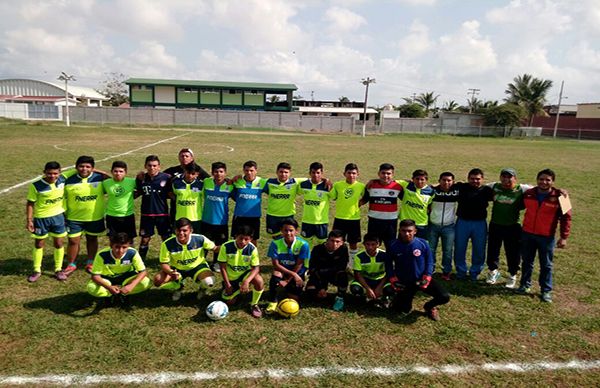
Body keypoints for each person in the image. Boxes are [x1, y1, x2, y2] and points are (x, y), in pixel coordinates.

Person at [518, 169, 571, 303]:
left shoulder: (562, 196)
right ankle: (525, 284)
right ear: (537, 180)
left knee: (546, 265)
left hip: (546, 236)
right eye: (541, 179)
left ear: (553, 182)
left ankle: (546, 290)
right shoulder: (529, 193)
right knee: (527, 262)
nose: (544, 182)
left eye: (548, 180)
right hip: (527, 234)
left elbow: (567, 218)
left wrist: (564, 237)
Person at [386, 219, 450, 321]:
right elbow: (388, 265)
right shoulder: (393, 245)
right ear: (399, 230)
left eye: (409, 231)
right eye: (403, 231)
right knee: (403, 310)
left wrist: (427, 277)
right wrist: (393, 279)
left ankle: (429, 307)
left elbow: (429, 262)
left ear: (415, 231)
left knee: (444, 296)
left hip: (421, 279)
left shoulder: (423, 243)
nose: (407, 234)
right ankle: (396, 299)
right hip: (405, 282)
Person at [61, 155, 106, 276]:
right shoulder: (68, 180)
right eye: (81, 166)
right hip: (73, 218)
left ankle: (91, 262)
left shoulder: (100, 178)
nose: (84, 169)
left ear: (93, 168)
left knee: (92, 239)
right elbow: (58, 176)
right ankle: (71, 264)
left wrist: (98, 171)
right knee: (73, 240)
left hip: (94, 217)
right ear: (76, 167)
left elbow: (114, 180)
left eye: (88, 167)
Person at [154, 218, 217, 301]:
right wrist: (171, 272)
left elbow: (215, 248)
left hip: (197, 266)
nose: (181, 233)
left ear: (191, 230)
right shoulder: (167, 244)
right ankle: (178, 287)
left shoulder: (200, 239)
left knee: (209, 281)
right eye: (178, 230)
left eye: (184, 230)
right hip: (177, 269)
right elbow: (163, 263)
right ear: (175, 230)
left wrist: (231, 246)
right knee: (158, 280)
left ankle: (202, 289)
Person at [485, 168, 529, 288]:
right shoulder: (495, 186)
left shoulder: (522, 189)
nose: (506, 179)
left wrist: (560, 191)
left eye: (509, 177)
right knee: (493, 250)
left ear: (515, 178)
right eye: (503, 176)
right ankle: (493, 271)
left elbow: (540, 188)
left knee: (513, 252)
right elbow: (476, 185)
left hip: (513, 226)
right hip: (495, 224)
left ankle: (512, 274)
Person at [26, 161, 68, 282]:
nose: (52, 176)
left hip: (59, 217)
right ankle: (36, 270)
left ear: (60, 173)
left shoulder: (63, 179)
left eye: (55, 173)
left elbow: (81, 169)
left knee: (58, 243)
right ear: (44, 172)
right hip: (41, 219)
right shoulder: (36, 185)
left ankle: (58, 269)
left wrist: (102, 173)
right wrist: (29, 220)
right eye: (49, 173)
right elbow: (30, 203)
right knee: (39, 244)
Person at [86, 232, 151, 306]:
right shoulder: (102, 254)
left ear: (129, 246)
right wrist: (109, 287)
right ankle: (110, 295)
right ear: (111, 245)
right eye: (117, 247)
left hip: (126, 278)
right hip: (107, 279)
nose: (120, 251)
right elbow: (95, 276)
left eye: (124, 247)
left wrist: (131, 286)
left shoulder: (133, 253)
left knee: (146, 282)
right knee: (91, 288)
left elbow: (143, 272)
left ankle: (124, 293)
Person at [453, 168, 494, 281]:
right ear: (468, 179)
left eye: (478, 179)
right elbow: (446, 183)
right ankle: (461, 271)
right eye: (472, 179)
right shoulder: (462, 187)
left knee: (479, 249)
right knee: (460, 248)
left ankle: (475, 272)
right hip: (462, 222)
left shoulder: (487, 190)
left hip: (480, 223)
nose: (475, 181)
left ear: (482, 179)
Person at [217, 225, 264, 318]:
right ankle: (237, 291)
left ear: (250, 239)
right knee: (230, 302)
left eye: (246, 239)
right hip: (231, 278)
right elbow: (222, 267)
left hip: (244, 275)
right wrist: (227, 284)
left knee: (259, 281)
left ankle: (254, 304)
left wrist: (247, 281)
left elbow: (256, 268)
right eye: (240, 238)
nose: (243, 241)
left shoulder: (252, 249)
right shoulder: (226, 246)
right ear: (235, 236)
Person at [265, 219, 310, 314]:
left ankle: (288, 287)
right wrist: (292, 275)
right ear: (281, 231)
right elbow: (276, 264)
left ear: (296, 231)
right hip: (283, 271)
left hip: (298, 272)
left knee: (294, 299)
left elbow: (299, 264)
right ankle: (273, 301)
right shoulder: (275, 243)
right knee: (276, 274)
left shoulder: (303, 244)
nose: (288, 233)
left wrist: (288, 280)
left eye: (291, 230)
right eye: (285, 230)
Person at [137, 155, 172, 260]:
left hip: (162, 214)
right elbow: (138, 192)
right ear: (145, 166)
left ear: (159, 167)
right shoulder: (141, 178)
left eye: (154, 165)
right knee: (145, 239)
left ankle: (170, 259)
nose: (152, 168)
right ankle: (141, 261)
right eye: (149, 165)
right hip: (147, 214)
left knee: (166, 238)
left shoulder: (166, 178)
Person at [200, 161, 233, 271]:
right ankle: (201, 262)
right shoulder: (206, 182)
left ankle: (216, 262)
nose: (218, 174)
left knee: (220, 244)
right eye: (216, 172)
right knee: (205, 242)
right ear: (212, 172)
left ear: (225, 173)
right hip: (207, 220)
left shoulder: (230, 185)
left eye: (221, 172)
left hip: (221, 221)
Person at [305, 230, 349, 311]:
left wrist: (324, 271)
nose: (334, 244)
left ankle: (340, 297)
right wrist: (320, 287)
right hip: (319, 276)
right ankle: (323, 291)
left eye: (337, 241)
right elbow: (312, 269)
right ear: (327, 240)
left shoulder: (343, 249)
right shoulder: (317, 249)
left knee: (343, 275)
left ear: (342, 242)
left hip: (334, 275)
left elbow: (341, 267)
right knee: (310, 293)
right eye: (332, 240)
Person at [362, 163, 403, 248]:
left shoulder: (397, 187)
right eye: (383, 173)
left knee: (390, 246)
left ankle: (389, 261)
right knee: (373, 246)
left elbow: (406, 199)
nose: (385, 176)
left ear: (393, 175)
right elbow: (364, 200)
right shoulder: (371, 185)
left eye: (388, 173)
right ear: (378, 174)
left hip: (390, 222)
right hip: (374, 221)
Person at [164, 148, 210, 224]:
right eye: (182, 156)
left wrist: (225, 180)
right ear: (179, 158)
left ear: (192, 158)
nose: (184, 158)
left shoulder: (197, 170)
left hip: (193, 212)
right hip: (177, 208)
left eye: (187, 156)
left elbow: (210, 180)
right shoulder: (172, 170)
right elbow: (158, 177)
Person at [330, 163, 366, 260]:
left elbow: (367, 196)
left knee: (353, 242)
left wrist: (361, 202)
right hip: (340, 218)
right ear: (344, 174)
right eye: (349, 173)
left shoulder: (361, 186)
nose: (351, 175)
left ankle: (352, 263)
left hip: (354, 218)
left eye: (354, 173)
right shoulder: (338, 185)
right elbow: (332, 197)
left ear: (358, 174)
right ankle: (338, 261)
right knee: (337, 242)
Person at [428, 172, 459, 280]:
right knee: (431, 249)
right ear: (439, 180)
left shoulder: (456, 191)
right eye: (444, 180)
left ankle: (446, 271)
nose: (446, 182)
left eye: (449, 180)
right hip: (433, 225)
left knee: (448, 250)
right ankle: (430, 270)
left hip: (449, 226)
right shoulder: (433, 191)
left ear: (453, 181)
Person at [262, 162, 303, 238]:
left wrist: (325, 179)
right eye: (281, 172)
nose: (283, 174)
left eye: (286, 172)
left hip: (288, 216)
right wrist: (241, 176)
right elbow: (253, 180)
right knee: (275, 237)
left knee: (288, 237)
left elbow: (313, 179)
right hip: (272, 215)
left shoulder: (295, 182)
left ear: (290, 173)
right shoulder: (269, 182)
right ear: (277, 172)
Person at [231, 160, 267, 246]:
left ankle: (252, 258)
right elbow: (230, 188)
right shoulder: (237, 181)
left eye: (251, 170)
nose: (249, 173)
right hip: (239, 216)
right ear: (243, 171)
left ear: (256, 171)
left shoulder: (262, 182)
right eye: (246, 170)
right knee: (237, 239)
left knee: (253, 240)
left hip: (254, 217)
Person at [350, 233, 391, 306]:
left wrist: (379, 287)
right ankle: (364, 297)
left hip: (380, 280)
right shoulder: (359, 256)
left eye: (373, 244)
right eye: (367, 244)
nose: (370, 247)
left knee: (390, 289)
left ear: (378, 244)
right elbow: (358, 275)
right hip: (366, 280)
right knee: (355, 288)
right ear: (363, 244)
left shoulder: (385, 255)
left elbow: (388, 273)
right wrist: (368, 289)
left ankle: (385, 298)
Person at [103, 161, 137, 244]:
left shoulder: (132, 182)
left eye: (121, 171)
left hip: (127, 215)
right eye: (115, 171)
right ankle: (113, 256)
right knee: (112, 239)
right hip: (111, 216)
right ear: (111, 172)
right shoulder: (106, 183)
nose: (118, 174)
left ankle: (129, 256)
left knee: (129, 239)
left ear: (126, 172)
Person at [297, 162, 331, 248]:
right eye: (313, 172)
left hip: (321, 222)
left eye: (318, 173)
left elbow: (335, 197)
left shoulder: (327, 186)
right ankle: (306, 262)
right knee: (305, 246)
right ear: (309, 173)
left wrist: (326, 181)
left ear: (322, 173)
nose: (315, 175)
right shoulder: (304, 184)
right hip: (307, 221)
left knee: (323, 246)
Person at [397, 169, 434, 238]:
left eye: (422, 179)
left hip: (421, 224)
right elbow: (390, 182)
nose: (419, 181)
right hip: (406, 222)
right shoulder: (406, 185)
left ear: (426, 180)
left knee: (419, 247)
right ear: (412, 179)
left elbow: (430, 207)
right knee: (403, 245)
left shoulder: (431, 192)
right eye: (417, 179)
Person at [171, 162, 204, 233]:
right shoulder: (176, 183)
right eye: (188, 173)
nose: (190, 176)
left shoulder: (201, 185)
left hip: (195, 219)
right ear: (184, 172)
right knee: (179, 240)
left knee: (195, 241)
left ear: (197, 174)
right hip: (180, 218)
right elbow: (172, 194)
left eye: (193, 174)